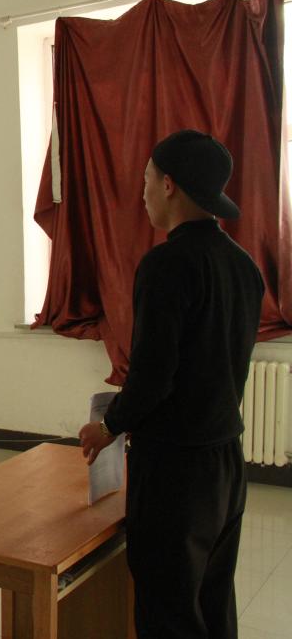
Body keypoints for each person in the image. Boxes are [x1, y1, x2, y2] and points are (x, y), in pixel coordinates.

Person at [79, 130, 263, 639]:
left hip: (176, 472)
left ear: (168, 185)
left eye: (146, 180)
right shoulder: (243, 266)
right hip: (226, 462)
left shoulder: (166, 265)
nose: (142, 193)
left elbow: (154, 377)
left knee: (169, 613)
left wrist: (108, 426)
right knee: (213, 600)